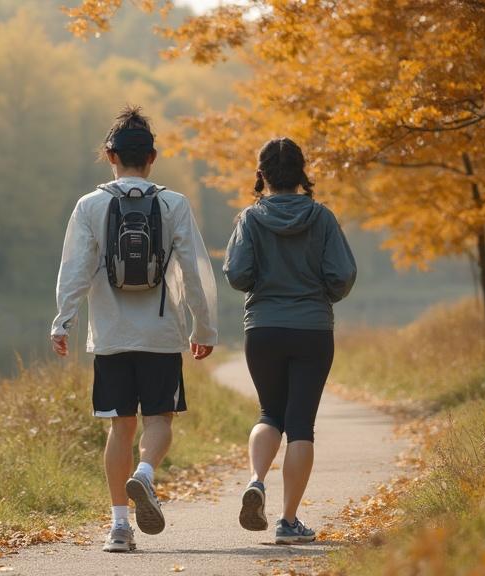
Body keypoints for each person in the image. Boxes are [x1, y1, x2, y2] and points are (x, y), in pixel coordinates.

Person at [51, 105, 218, 553]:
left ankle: (119, 528)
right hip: (162, 334)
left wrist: (62, 319)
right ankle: (144, 475)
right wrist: (204, 328)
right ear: (153, 157)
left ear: (110, 155)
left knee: (118, 427)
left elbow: (76, 268)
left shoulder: (90, 204)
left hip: (110, 335)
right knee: (159, 418)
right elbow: (197, 272)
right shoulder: (173, 203)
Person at [223, 137, 357, 544]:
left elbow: (237, 275)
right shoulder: (322, 217)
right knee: (301, 425)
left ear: (261, 175)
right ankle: (288, 521)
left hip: (262, 328)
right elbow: (343, 275)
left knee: (269, 414)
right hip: (312, 329)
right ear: (302, 173)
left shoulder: (249, 218)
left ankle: (256, 480)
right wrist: (321, 295)